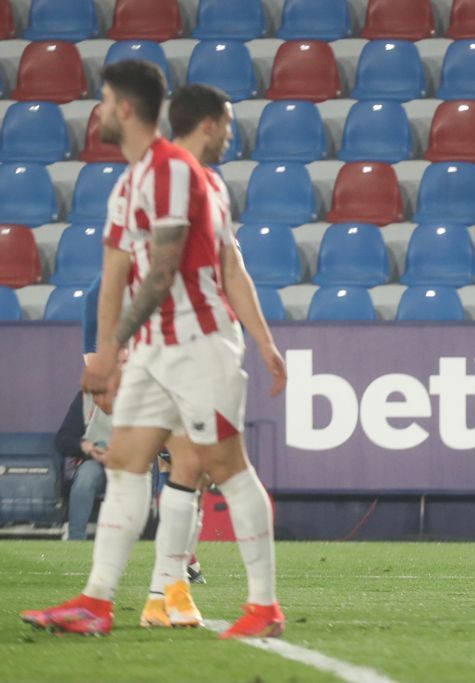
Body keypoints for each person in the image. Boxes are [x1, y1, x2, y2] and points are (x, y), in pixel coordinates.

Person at [20, 60, 284, 639]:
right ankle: (97, 602)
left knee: (225, 468)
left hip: (199, 344)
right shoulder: (129, 183)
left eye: (105, 99)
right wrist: (105, 353)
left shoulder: (173, 173)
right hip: (150, 350)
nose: (98, 109)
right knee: (124, 464)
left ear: (128, 109)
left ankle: (263, 607)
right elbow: (113, 274)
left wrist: (110, 347)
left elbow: (164, 272)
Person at [139, 82, 286, 630]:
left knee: (192, 467)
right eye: (226, 121)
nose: (231, 131)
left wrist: (266, 340)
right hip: (192, 343)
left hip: (176, 343)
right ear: (205, 123)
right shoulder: (178, 181)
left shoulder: (196, 183)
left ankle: (166, 592)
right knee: (219, 468)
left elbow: (229, 268)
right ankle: (252, 602)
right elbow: (216, 270)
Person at [53, 278, 109, 541]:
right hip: (97, 457)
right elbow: (63, 439)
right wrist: (86, 448)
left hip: (134, 458)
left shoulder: (142, 392)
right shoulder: (86, 395)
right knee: (85, 478)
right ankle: (75, 539)